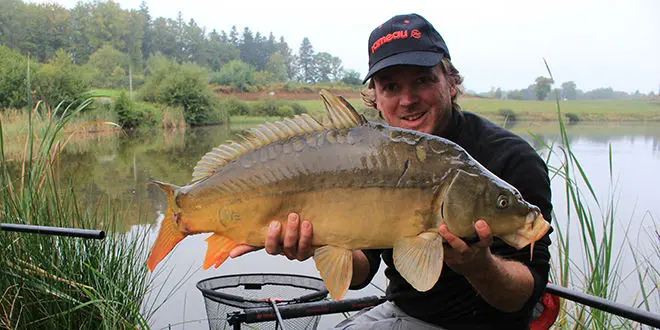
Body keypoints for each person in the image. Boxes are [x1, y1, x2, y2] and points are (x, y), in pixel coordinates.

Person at [230, 13, 553, 330]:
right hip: (404, 313)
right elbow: (360, 274)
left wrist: (480, 267)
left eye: (422, 81)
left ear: (451, 82)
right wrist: (318, 244)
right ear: (376, 98)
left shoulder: (511, 159)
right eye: (391, 86)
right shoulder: (372, 156)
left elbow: (524, 297)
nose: (408, 100)